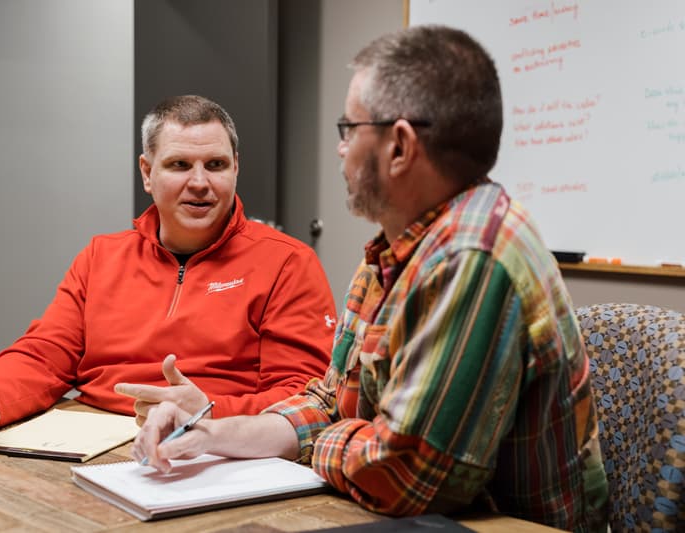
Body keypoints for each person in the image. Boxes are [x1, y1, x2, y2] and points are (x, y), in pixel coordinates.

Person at [131, 26, 608, 532]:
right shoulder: (395, 246)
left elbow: (405, 475)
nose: (341, 151)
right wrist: (214, 432)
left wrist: (327, 437)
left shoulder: (473, 256)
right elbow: (332, 398)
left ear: (398, 146)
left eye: (349, 129)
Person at [0, 95, 336, 442]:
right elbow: (45, 357)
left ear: (236, 168)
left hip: (214, 449)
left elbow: (304, 396)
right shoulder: (101, 257)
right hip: (86, 442)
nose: (200, 182)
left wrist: (211, 412)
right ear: (147, 173)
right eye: (179, 165)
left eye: (215, 164)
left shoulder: (287, 263)